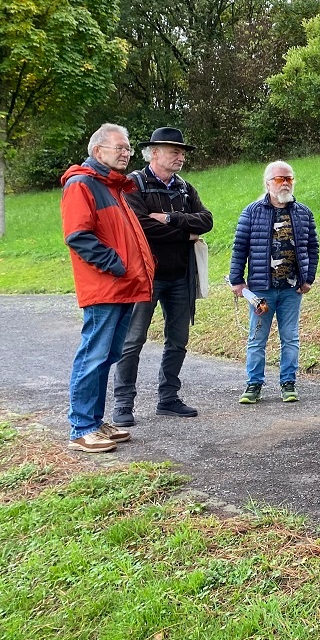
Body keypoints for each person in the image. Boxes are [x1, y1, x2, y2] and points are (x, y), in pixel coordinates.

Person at [60, 124, 155, 453]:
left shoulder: (113, 186)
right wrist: (116, 264)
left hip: (123, 287)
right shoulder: (81, 184)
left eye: (128, 148)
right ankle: (81, 427)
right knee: (94, 354)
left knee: (108, 355)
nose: (126, 153)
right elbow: (78, 236)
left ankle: (95, 422)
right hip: (105, 287)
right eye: (120, 147)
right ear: (98, 150)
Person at [110, 127, 213, 426]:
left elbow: (206, 221)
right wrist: (186, 233)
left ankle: (168, 399)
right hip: (145, 276)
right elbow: (141, 227)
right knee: (133, 341)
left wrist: (170, 218)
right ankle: (123, 403)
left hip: (181, 276)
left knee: (178, 340)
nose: (181, 157)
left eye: (182, 153)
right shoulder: (134, 184)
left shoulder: (185, 188)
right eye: (174, 152)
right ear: (154, 153)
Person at [228, 161, 319, 404]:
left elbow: (313, 248)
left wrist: (309, 278)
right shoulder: (251, 212)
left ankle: (288, 383)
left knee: (290, 338)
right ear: (268, 183)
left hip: (292, 289)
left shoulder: (303, 213)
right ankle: (253, 385)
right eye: (280, 179)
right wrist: (237, 280)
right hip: (261, 290)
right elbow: (240, 248)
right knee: (257, 339)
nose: (285, 183)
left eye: (289, 178)